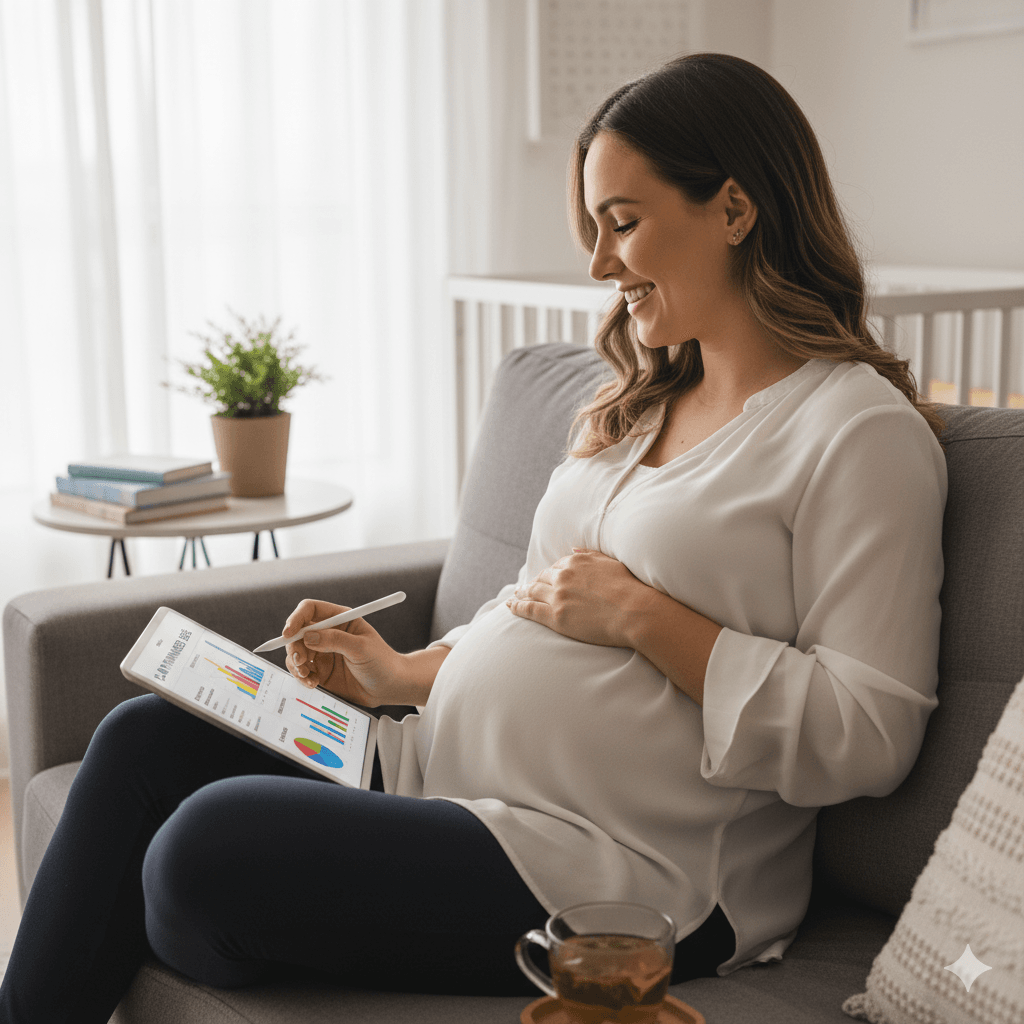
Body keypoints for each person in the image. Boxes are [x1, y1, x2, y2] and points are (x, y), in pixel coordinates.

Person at [0, 52, 947, 1022]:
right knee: (142, 738)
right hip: (440, 772)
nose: (598, 264)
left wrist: (644, 616)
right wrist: (402, 673)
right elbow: (532, 604)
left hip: (621, 861)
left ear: (735, 208)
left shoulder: (855, 431)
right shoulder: (631, 408)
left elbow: (868, 731)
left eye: (622, 223)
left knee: (201, 853)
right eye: (594, 230)